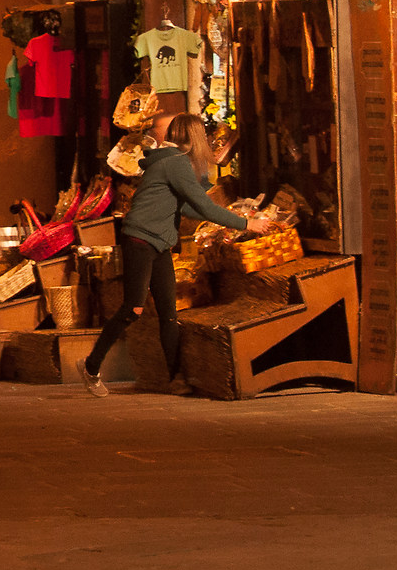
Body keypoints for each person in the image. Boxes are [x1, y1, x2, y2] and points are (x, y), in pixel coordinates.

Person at [77, 113, 273, 397]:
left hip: (159, 242)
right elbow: (202, 206)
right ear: (194, 138)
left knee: (169, 314)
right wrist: (247, 223)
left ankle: (176, 378)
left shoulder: (170, 161)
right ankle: (91, 367)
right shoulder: (177, 163)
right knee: (133, 309)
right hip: (140, 239)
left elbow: (186, 207)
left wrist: (228, 214)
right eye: (203, 137)